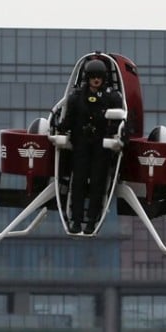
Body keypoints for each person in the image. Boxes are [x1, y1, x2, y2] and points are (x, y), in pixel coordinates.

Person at [62, 58, 122, 234]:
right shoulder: (76, 97)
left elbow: (121, 121)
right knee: (78, 183)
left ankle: (91, 221)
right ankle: (76, 220)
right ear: (87, 78)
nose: (96, 80)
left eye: (99, 77)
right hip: (80, 147)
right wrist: (61, 130)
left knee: (97, 184)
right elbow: (68, 119)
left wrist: (113, 133)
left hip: (101, 149)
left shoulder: (112, 97)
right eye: (93, 77)